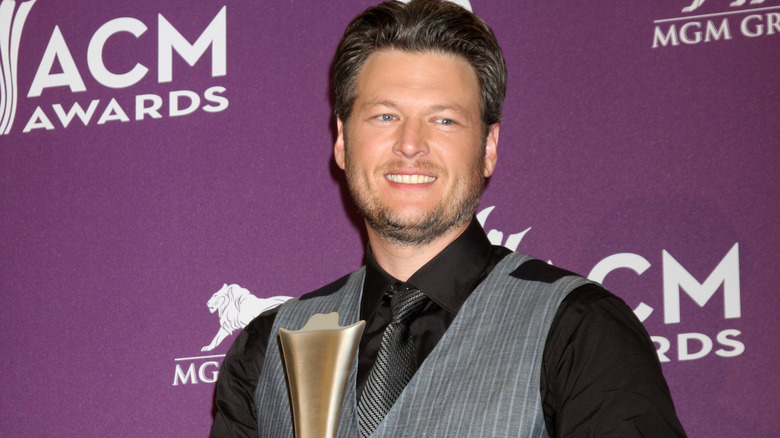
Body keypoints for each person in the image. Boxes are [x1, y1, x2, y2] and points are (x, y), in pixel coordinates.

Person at [210, 1, 687, 436]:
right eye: (384, 116)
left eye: (444, 120)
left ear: (489, 148)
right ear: (341, 139)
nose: (410, 144)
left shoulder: (581, 330)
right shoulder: (265, 349)